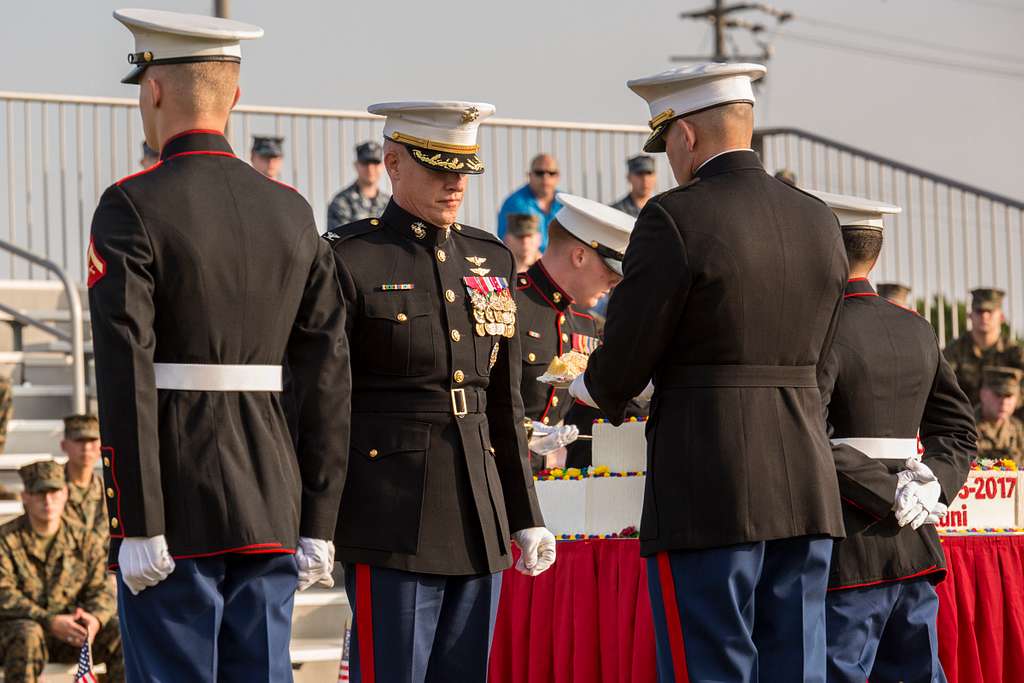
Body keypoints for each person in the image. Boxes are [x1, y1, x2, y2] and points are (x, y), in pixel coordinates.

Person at [90, 10, 349, 681]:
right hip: (272, 500)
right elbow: (327, 373)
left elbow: (127, 370)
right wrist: (318, 515)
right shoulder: (293, 211)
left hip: (174, 508)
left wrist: (138, 517)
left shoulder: (131, 206)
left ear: (152, 89)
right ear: (234, 96)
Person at [569, 62, 848, 682]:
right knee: (797, 666)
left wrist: (590, 386)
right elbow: (826, 356)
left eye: (666, 140)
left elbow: (629, 348)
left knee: (710, 664)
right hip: (805, 475)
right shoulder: (820, 220)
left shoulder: (674, 217)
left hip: (708, 478)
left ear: (687, 136)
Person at [324, 100, 555, 682]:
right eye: (438, 167)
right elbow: (326, 401)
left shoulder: (490, 257)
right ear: (393, 162)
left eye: (463, 169)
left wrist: (524, 514)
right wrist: (316, 519)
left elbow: (502, 401)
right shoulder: (352, 258)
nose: (455, 183)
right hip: (391, 513)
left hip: (478, 510)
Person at [811, 190, 974, 683]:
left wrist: (890, 493)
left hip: (849, 541)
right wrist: (932, 485)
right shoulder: (917, 329)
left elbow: (807, 435)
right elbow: (958, 431)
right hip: (915, 540)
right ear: (875, 253)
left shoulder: (817, 330)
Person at [515, 194, 632, 469]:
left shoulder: (584, 323)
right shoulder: (511, 303)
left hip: (548, 480)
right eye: (610, 271)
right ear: (579, 255)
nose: (614, 283)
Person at [0, 461, 122, 683]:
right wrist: (50, 621)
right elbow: (4, 596)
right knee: (28, 635)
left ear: (66, 493)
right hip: (18, 635)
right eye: (39, 493)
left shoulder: (85, 541)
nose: (48, 501)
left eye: (54, 492)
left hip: (72, 634)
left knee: (120, 633)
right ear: (25, 497)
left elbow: (102, 590)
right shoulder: (5, 540)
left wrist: (94, 619)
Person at [943, 287, 1024, 409]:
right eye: (979, 311)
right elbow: (942, 386)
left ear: (1001, 317)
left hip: (1007, 422)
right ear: (970, 316)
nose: (984, 316)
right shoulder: (954, 351)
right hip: (964, 420)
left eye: (990, 311)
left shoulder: (1014, 353)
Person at [497, 154, 563, 250]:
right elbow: (508, 244)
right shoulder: (515, 204)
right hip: (528, 262)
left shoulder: (566, 204)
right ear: (529, 175)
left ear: (558, 176)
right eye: (539, 173)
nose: (545, 177)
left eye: (551, 173)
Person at [60, 414, 106, 544]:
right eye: (78, 441)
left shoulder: (110, 492)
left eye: (92, 441)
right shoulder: (50, 492)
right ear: (64, 445)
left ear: (101, 446)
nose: (86, 448)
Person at [327, 141, 391, 229]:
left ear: (382, 166)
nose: (370, 169)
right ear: (356, 165)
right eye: (365, 163)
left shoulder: (389, 204)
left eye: (375, 163)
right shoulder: (341, 202)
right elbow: (340, 240)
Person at [975, 366, 1024, 464]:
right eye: (998, 395)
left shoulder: (1019, 431)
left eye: (1009, 396)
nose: (1004, 402)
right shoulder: (965, 428)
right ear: (983, 394)